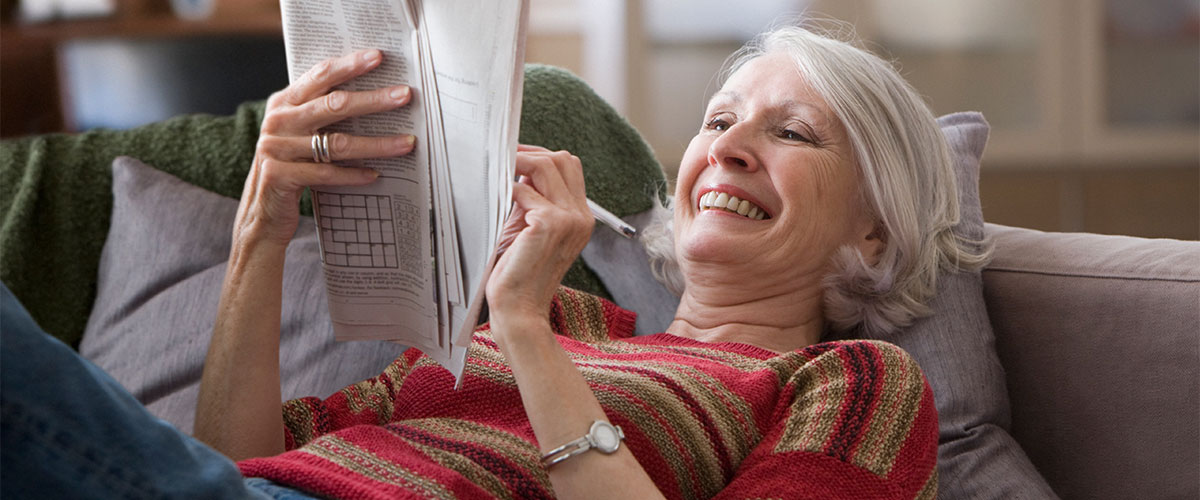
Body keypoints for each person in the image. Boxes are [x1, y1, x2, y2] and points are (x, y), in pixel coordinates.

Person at [1, 23, 986, 499]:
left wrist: (522, 327)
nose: (728, 146)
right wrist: (261, 226)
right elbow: (240, 459)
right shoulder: (574, 320)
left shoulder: (854, 380)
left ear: (872, 231)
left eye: (793, 133)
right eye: (719, 119)